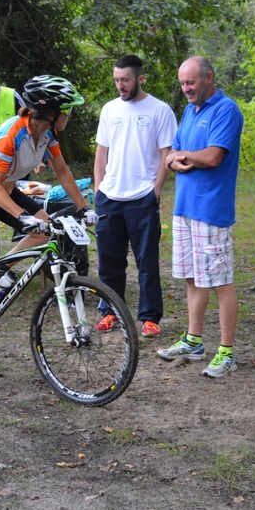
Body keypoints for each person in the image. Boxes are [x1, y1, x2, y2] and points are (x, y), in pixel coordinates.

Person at [0, 75, 97, 366]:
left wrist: (83, 207)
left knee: (47, 231)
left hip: (5, 190)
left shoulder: (47, 135)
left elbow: (63, 172)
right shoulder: (11, 135)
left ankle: (4, 268)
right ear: (50, 113)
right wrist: (22, 217)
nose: (69, 116)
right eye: (66, 110)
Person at [156, 55, 244, 379]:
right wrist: (175, 160)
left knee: (220, 282)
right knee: (192, 278)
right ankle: (193, 341)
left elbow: (212, 156)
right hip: (184, 208)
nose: (186, 89)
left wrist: (183, 157)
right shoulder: (189, 111)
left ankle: (227, 352)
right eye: (182, 84)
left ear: (209, 78)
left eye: (190, 82)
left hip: (211, 211)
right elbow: (172, 154)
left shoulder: (226, 110)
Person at [93, 54, 177, 339]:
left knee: (147, 261)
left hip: (142, 197)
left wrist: (156, 191)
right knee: (109, 261)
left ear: (140, 78)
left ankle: (150, 317)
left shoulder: (160, 110)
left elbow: (167, 153)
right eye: (117, 80)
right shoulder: (109, 110)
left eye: (125, 80)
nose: (120, 85)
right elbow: (101, 150)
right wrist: (98, 188)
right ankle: (109, 311)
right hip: (109, 197)